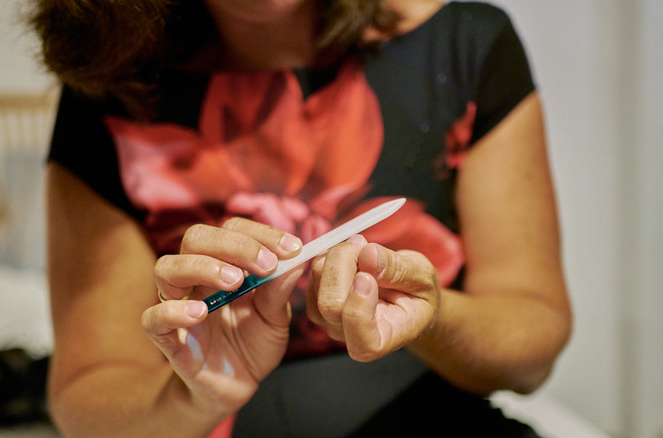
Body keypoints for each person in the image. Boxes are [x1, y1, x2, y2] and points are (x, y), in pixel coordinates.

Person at [30, 0, 572, 436]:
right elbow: (89, 397)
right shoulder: (111, 86)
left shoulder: (465, 45)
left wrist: (432, 317)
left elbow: (531, 351)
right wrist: (193, 397)